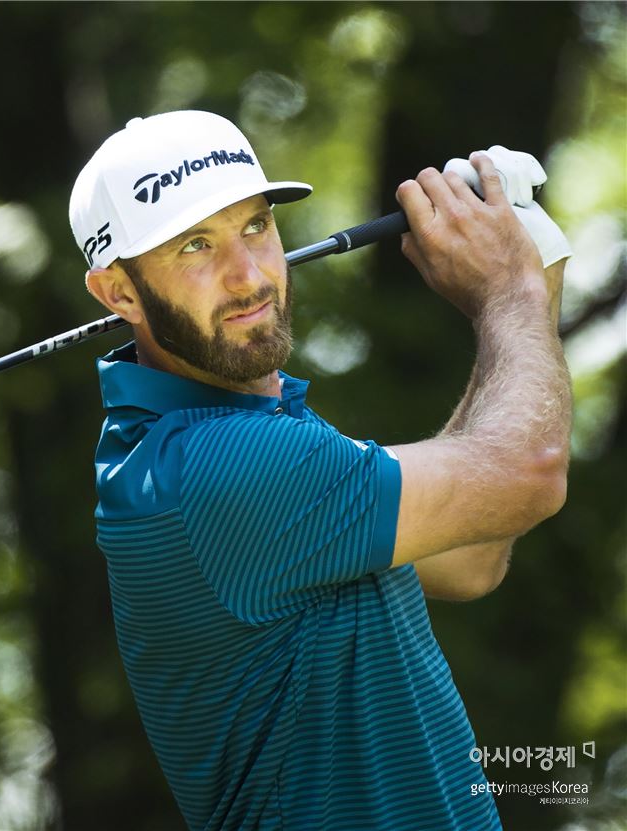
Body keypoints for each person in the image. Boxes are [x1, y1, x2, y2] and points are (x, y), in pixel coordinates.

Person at [68, 110, 572, 830]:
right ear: (119, 293)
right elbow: (530, 470)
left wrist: (531, 285)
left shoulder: (229, 434)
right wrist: (511, 294)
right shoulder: (220, 466)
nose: (249, 276)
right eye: (195, 246)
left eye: (254, 227)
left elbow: (470, 555)